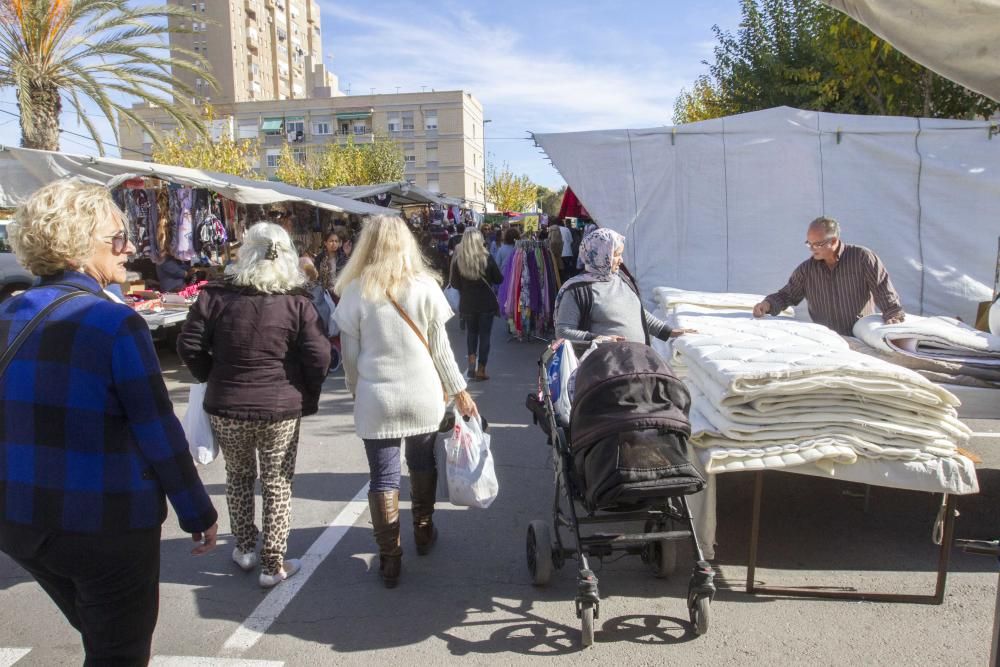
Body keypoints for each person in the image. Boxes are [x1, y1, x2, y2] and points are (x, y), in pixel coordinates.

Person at [0, 179, 218, 664]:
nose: (132, 248)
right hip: (105, 523)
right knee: (118, 650)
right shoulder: (114, 323)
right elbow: (157, 429)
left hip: (21, 522)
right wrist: (197, 512)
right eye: (117, 238)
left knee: (101, 634)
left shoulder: (7, 313)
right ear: (77, 245)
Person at [177, 223, 330, 588]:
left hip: (228, 405)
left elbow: (189, 345)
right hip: (279, 408)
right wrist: (306, 391)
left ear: (246, 252)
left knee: (239, 476)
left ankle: (245, 548)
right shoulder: (297, 302)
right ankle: (272, 563)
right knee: (277, 482)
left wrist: (210, 375)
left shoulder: (216, 297)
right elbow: (320, 355)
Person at [333, 215, 479, 589]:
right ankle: (424, 528)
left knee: (382, 477)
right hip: (422, 395)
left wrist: (356, 389)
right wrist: (460, 391)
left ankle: (390, 557)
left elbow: (349, 357)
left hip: (376, 396)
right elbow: (441, 350)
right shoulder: (425, 286)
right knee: (421, 461)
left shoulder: (355, 291)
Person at [752, 216, 905, 335]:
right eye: (809, 243)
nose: (812, 249)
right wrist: (767, 304)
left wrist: (893, 315)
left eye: (817, 244)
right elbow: (787, 295)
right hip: (827, 340)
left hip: (861, 335)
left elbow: (882, 289)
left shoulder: (862, 258)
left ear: (833, 241)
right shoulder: (807, 269)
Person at [555, 228, 693, 344]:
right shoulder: (577, 290)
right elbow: (563, 332)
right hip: (605, 369)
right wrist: (598, 339)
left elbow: (636, 312)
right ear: (601, 255)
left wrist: (668, 332)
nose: (621, 260)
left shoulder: (620, 277)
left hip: (634, 361)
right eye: (616, 255)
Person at [450, 227, 504, 381]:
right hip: (486, 303)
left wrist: (466, 287)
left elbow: (454, 283)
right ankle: (482, 369)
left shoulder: (459, 260)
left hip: (467, 303)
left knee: (471, 334)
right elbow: (499, 279)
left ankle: (471, 365)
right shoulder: (487, 258)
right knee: (485, 336)